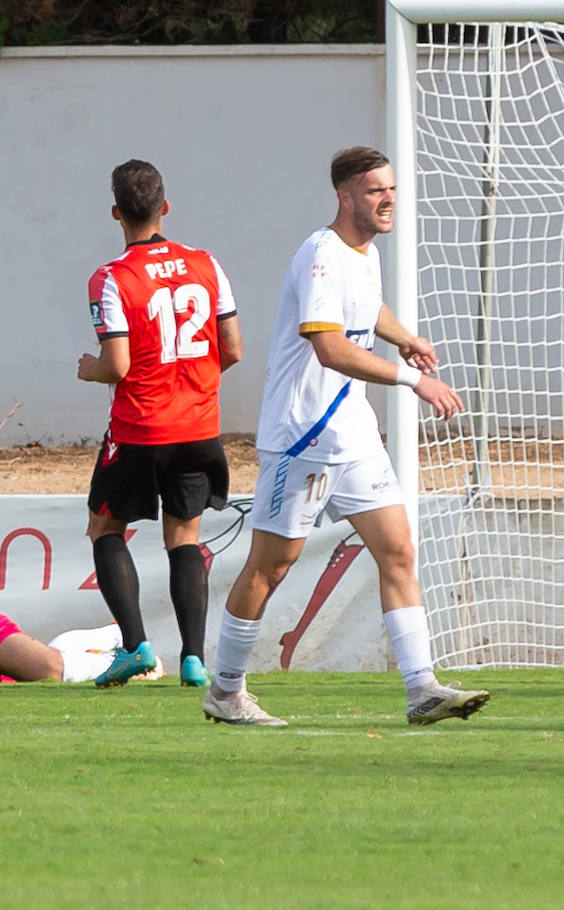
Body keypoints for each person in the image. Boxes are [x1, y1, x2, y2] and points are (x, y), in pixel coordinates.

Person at [201, 146, 490, 727]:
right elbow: (329, 344)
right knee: (271, 566)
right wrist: (413, 380)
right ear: (345, 196)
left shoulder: (364, 253)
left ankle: (420, 688)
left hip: (351, 432)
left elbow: (366, 306)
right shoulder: (320, 253)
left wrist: (404, 336)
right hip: (302, 434)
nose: (388, 200)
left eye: (391, 189)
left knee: (398, 549)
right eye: (375, 191)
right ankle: (226, 691)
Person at [77, 159, 243, 689]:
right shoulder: (206, 264)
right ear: (165, 208)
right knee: (184, 537)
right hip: (198, 426)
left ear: (115, 213)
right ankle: (194, 658)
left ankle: (137, 647)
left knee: (105, 527)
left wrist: (90, 370)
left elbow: (118, 365)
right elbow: (233, 349)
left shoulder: (112, 278)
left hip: (139, 428)